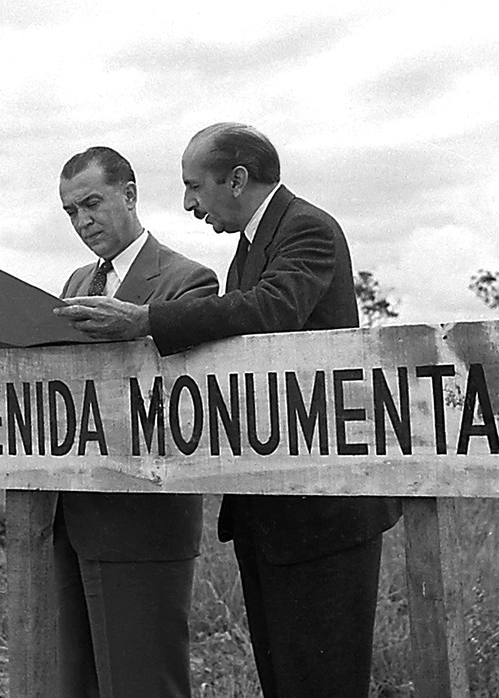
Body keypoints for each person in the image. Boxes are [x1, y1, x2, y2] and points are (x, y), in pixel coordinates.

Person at [56, 123, 401, 698]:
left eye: (195, 186)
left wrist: (145, 321)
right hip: (274, 513)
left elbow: (274, 308)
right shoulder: (249, 249)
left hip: (325, 509)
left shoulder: (307, 228)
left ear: (237, 179)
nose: (190, 204)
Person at [0, 146, 219, 698]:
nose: (83, 222)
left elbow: (181, 391)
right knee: (73, 683)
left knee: (143, 683)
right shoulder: (78, 281)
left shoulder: (188, 281)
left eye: (93, 204)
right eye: (71, 212)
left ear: (129, 195)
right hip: (69, 518)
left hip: (143, 524)